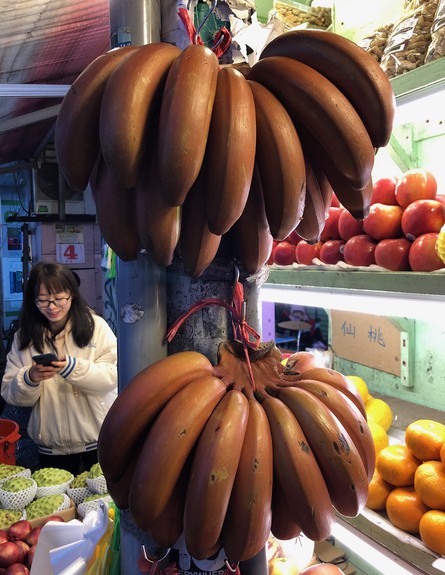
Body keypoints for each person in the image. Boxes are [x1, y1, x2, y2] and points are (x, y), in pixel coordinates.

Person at [1, 261, 117, 476]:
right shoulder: (23, 337)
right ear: (32, 300)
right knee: (59, 505)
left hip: (98, 441)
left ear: (71, 294)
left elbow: (112, 377)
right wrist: (30, 378)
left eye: (58, 299)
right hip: (51, 448)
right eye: (43, 300)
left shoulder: (96, 327)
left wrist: (72, 368)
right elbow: (10, 393)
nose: (52, 307)